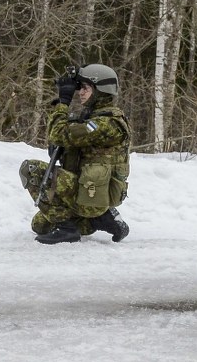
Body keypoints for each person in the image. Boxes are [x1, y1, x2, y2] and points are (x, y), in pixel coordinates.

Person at [19, 64, 131, 244]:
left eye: (86, 88)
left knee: (30, 170)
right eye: (80, 88)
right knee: (39, 225)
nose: (80, 93)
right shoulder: (92, 117)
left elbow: (58, 133)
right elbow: (65, 141)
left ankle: (68, 229)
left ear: (100, 91)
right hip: (84, 189)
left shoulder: (107, 123)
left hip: (91, 193)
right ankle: (102, 219)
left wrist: (63, 103)